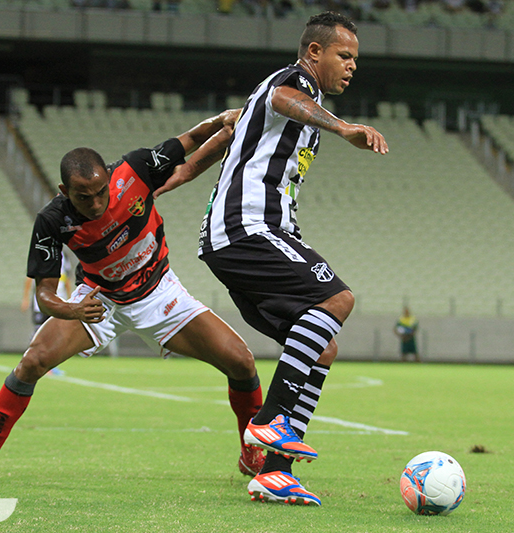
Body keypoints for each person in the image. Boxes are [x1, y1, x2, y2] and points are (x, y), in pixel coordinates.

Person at [0, 109, 267, 483]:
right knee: (32, 362)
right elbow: (44, 293)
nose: (95, 202)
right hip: (100, 302)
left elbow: (186, 140)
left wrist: (223, 122)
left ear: (108, 174)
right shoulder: (52, 220)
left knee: (242, 362)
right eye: (82, 197)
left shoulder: (135, 168)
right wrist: (72, 309)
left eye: (100, 191)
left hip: (159, 292)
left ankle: (251, 454)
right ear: (63, 192)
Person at [155, 12, 387, 506]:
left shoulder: (287, 99)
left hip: (243, 237)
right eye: (344, 56)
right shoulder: (292, 82)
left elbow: (232, 132)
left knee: (321, 347)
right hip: (247, 229)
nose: (351, 66)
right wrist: (343, 127)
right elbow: (284, 98)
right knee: (338, 299)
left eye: (355, 60)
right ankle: (269, 420)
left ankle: (276, 473)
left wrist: (183, 173)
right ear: (313, 52)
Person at [21, 251, 74, 336]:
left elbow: (67, 279)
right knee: (39, 331)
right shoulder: (39, 252)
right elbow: (29, 278)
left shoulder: (64, 256)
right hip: (40, 301)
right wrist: (25, 299)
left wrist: (70, 298)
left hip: (59, 301)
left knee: (57, 331)